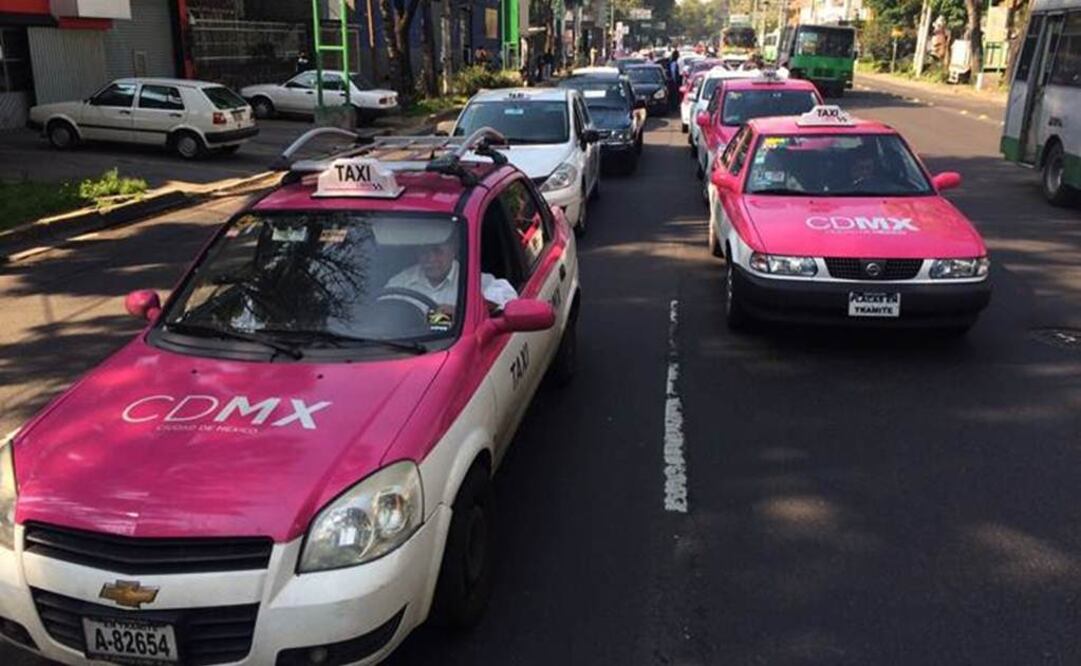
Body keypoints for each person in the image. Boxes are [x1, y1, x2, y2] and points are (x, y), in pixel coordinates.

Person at [385, 236, 518, 317]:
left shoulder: (473, 279)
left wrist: (463, 311)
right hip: (407, 350)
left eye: (437, 251)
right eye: (424, 251)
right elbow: (383, 311)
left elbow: (508, 296)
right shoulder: (401, 282)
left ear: (453, 250)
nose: (430, 258)